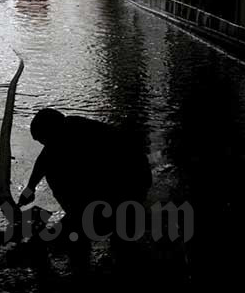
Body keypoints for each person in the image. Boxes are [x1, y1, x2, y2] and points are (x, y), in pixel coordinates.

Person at [18, 108, 151, 271]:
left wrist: (53, 235)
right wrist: (30, 188)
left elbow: (90, 198)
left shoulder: (82, 138)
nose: (45, 146)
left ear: (51, 132)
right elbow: (44, 159)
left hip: (130, 178)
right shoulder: (62, 133)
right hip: (126, 177)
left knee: (119, 236)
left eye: (44, 140)